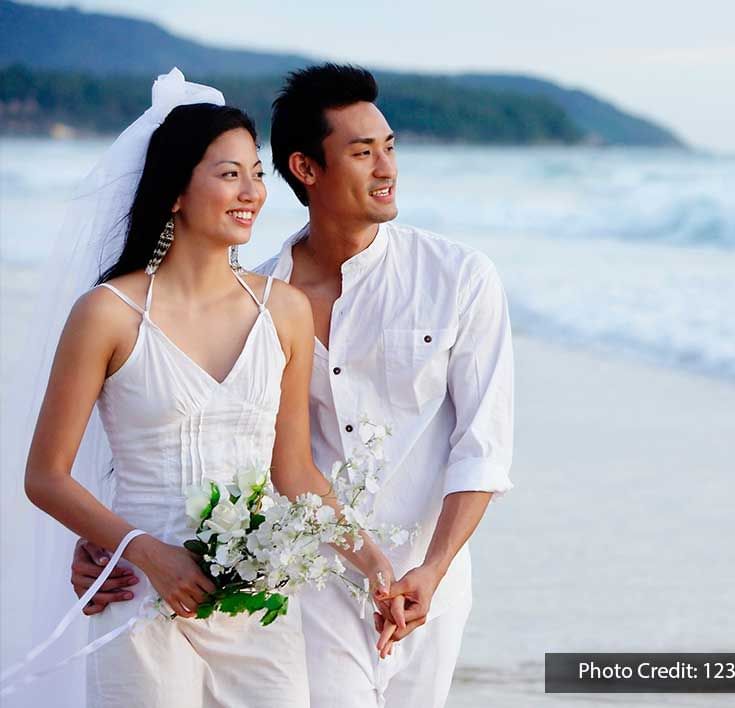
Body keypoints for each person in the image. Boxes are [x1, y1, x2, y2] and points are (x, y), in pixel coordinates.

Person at [73, 62, 515, 708]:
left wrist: (433, 568)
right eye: (363, 153)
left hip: (429, 583)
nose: (387, 168)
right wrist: (117, 541)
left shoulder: (460, 280)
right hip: (307, 590)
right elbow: (200, 432)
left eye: (389, 148)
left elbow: (484, 448)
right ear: (307, 169)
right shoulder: (253, 301)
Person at [18, 70, 397, 707]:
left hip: (258, 603)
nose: (251, 191)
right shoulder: (107, 314)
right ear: (173, 191)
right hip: (143, 596)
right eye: (228, 174)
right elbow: (46, 476)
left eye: (256, 172)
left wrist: (376, 565)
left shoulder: (285, 310)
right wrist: (145, 555)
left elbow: (295, 472)